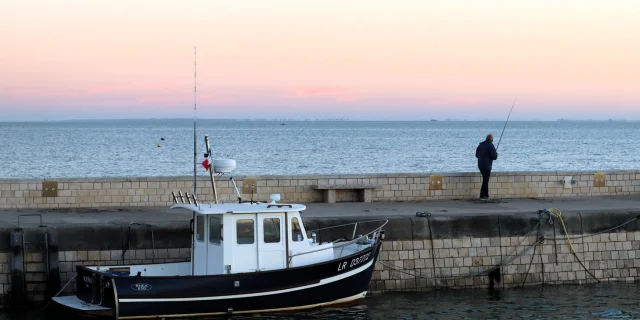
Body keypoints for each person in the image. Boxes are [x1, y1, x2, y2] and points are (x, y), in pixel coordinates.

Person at [475, 134, 498, 200]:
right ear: (491, 139)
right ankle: (482, 196)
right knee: (485, 181)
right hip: (487, 166)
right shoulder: (491, 146)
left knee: (485, 180)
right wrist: (496, 153)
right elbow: (494, 157)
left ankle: (486, 195)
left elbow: (476, 155)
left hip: (480, 166)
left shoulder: (480, 145)